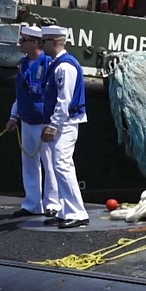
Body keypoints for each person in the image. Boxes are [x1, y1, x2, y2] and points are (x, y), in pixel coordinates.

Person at [39, 25, 89, 229]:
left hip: (65, 124)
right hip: (63, 122)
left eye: (44, 42)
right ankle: (65, 210)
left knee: (62, 165)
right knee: (59, 166)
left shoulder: (65, 67)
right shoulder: (57, 64)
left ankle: (77, 212)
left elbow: (64, 99)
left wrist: (53, 125)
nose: (42, 46)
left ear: (55, 42)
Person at [5, 25, 57, 218]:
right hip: (27, 121)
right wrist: (14, 116)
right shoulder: (23, 65)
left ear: (35, 42)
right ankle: (32, 203)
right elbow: (21, 95)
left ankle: (53, 203)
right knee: (29, 163)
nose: (20, 44)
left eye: (24, 40)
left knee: (50, 164)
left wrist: (53, 123)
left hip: (44, 122)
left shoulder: (49, 64)